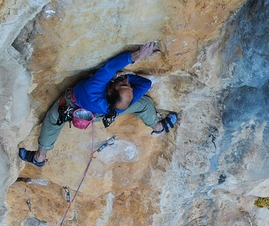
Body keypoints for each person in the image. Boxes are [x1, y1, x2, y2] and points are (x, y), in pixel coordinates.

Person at [19, 42, 177, 167]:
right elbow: (145, 84)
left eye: (123, 84)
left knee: (52, 120)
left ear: (110, 92)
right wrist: (127, 80)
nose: (124, 80)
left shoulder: (93, 89)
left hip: (69, 105)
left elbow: (110, 68)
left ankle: (40, 157)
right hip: (102, 114)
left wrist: (137, 55)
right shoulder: (120, 103)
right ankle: (158, 126)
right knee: (144, 104)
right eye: (125, 85)